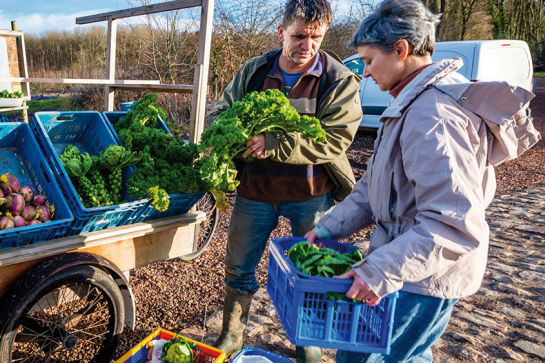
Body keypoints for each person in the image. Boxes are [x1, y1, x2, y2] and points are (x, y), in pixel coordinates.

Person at [305, 0, 541, 362]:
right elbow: (373, 189)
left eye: (369, 61)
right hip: (407, 266)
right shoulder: (411, 103)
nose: (365, 73)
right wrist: (326, 230)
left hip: (420, 279)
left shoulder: (434, 118)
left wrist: (377, 272)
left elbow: (453, 224)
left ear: (401, 50)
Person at [209, 0, 363, 362]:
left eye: (315, 37)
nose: (306, 45)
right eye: (298, 36)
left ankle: (307, 345)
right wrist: (228, 133)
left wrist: (274, 143)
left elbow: (335, 138)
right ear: (281, 32)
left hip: (311, 194)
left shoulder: (337, 79)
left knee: (310, 274)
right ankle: (231, 336)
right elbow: (220, 109)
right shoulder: (256, 71)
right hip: (255, 192)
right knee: (238, 267)